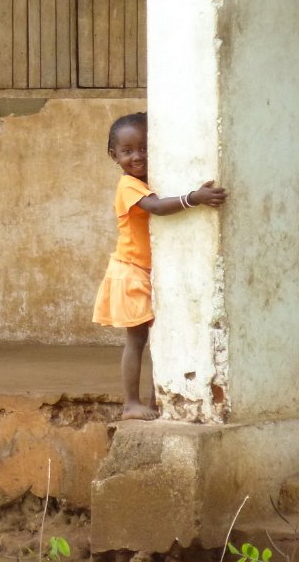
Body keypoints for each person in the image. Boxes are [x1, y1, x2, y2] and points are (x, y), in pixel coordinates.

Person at [93, 112, 227, 420]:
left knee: (158, 339)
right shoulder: (128, 185)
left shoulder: (150, 180)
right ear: (114, 155)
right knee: (136, 340)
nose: (137, 156)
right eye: (128, 151)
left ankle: (155, 400)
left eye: (144, 148)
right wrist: (194, 197)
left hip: (146, 272)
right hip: (130, 271)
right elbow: (156, 207)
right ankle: (131, 403)